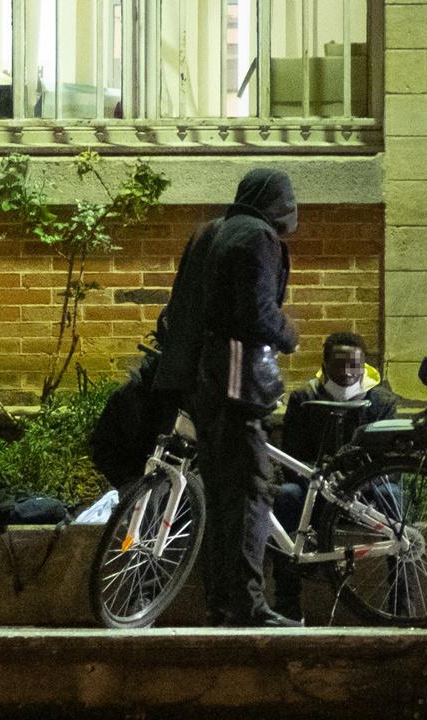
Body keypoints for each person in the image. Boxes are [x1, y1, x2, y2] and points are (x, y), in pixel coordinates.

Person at [154, 169, 302, 627]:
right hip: (238, 385)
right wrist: (288, 333)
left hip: (201, 381)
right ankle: (249, 605)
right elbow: (256, 311)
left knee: (220, 500)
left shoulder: (211, 232)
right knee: (251, 494)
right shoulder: (257, 237)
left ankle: (220, 603)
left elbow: (180, 305)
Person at [269, 331, 396, 620]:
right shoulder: (305, 398)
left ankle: (401, 603)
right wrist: (322, 482)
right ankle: (287, 602)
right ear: (325, 366)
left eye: (356, 365)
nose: (349, 373)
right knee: (286, 497)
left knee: (393, 498)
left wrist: (356, 483)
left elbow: (388, 460)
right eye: (340, 365)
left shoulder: (380, 402)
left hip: (364, 494)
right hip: (316, 492)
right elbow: (292, 457)